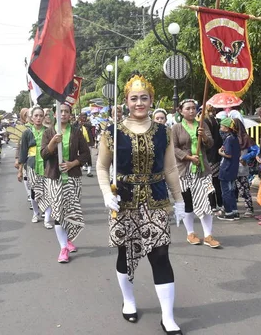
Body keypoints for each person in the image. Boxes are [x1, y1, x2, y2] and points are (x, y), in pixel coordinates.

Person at [97, 73, 185, 334]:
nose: (139, 103)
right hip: (123, 200)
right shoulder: (111, 132)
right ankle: (129, 300)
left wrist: (179, 200)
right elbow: (102, 167)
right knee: (125, 253)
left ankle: (167, 317)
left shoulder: (163, 132)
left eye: (143, 98)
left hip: (156, 199)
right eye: (134, 98)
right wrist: (105, 192)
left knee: (160, 254)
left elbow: (170, 169)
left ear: (151, 100)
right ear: (126, 101)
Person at [41, 103, 90, 263]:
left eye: (66, 112)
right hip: (55, 179)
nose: (63, 114)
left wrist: (72, 164)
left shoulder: (76, 132)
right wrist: (53, 143)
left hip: (73, 178)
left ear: (70, 115)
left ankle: (68, 239)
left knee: (71, 212)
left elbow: (85, 154)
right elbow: (44, 155)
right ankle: (63, 247)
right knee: (58, 212)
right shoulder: (48, 133)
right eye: (60, 111)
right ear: (55, 114)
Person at [172, 99, 220, 248]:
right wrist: (188, 157)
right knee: (188, 203)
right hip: (184, 170)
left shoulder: (202, 124)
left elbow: (211, 143)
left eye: (194, 108)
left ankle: (208, 235)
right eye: (188, 109)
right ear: (181, 111)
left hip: (202, 169)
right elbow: (173, 148)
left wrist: (204, 137)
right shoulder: (176, 128)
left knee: (207, 201)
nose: (192, 111)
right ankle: (190, 233)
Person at [18, 106, 52, 228]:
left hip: (47, 163)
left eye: (40, 115)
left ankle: (47, 219)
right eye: (36, 116)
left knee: (48, 191)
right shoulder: (27, 133)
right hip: (32, 164)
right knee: (34, 191)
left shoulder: (49, 131)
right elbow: (23, 151)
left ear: (44, 117)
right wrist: (20, 170)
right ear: (31, 118)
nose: (38, 118)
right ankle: (36, 212)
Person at [217, 117, 240, 221]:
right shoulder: (235, 138)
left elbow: (228, 154)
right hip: (233, 168)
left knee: (226, 191)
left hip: (226, 168)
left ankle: (228, 212)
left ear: (226, 128)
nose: (220, 128)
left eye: (222, 126)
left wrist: (220, 152)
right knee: (231, 190)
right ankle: (234, 211)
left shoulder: (228, 139)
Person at [76, 112, 96, 177]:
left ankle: (89, 171)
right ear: (80, 117)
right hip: (79, 143)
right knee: (80, 156)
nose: (84, 118)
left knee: (89, 156)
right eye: (82, 117)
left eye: (85, 117)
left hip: (88, 143)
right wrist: (78, 123)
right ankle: (83, 165)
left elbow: (90, 125)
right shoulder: (77, 124)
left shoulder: (88, 124)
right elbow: (73, 125)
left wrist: (83, 123)